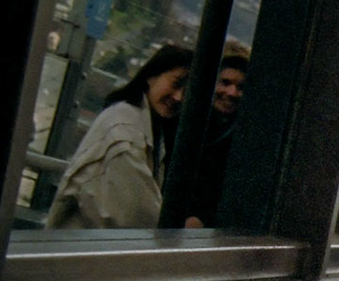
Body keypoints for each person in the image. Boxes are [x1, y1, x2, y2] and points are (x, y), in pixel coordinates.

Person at [46, 44, 193, 229]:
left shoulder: (144, 124)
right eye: (176, 83)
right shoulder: (125, 130)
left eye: (188, 91)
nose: (179, 97)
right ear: (151, 76)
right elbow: (138, 215)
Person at [180, 52, 249, 229]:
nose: (232, 93)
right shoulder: (183, 122)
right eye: (225, 83)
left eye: (240, 87)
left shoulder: (244, 142)